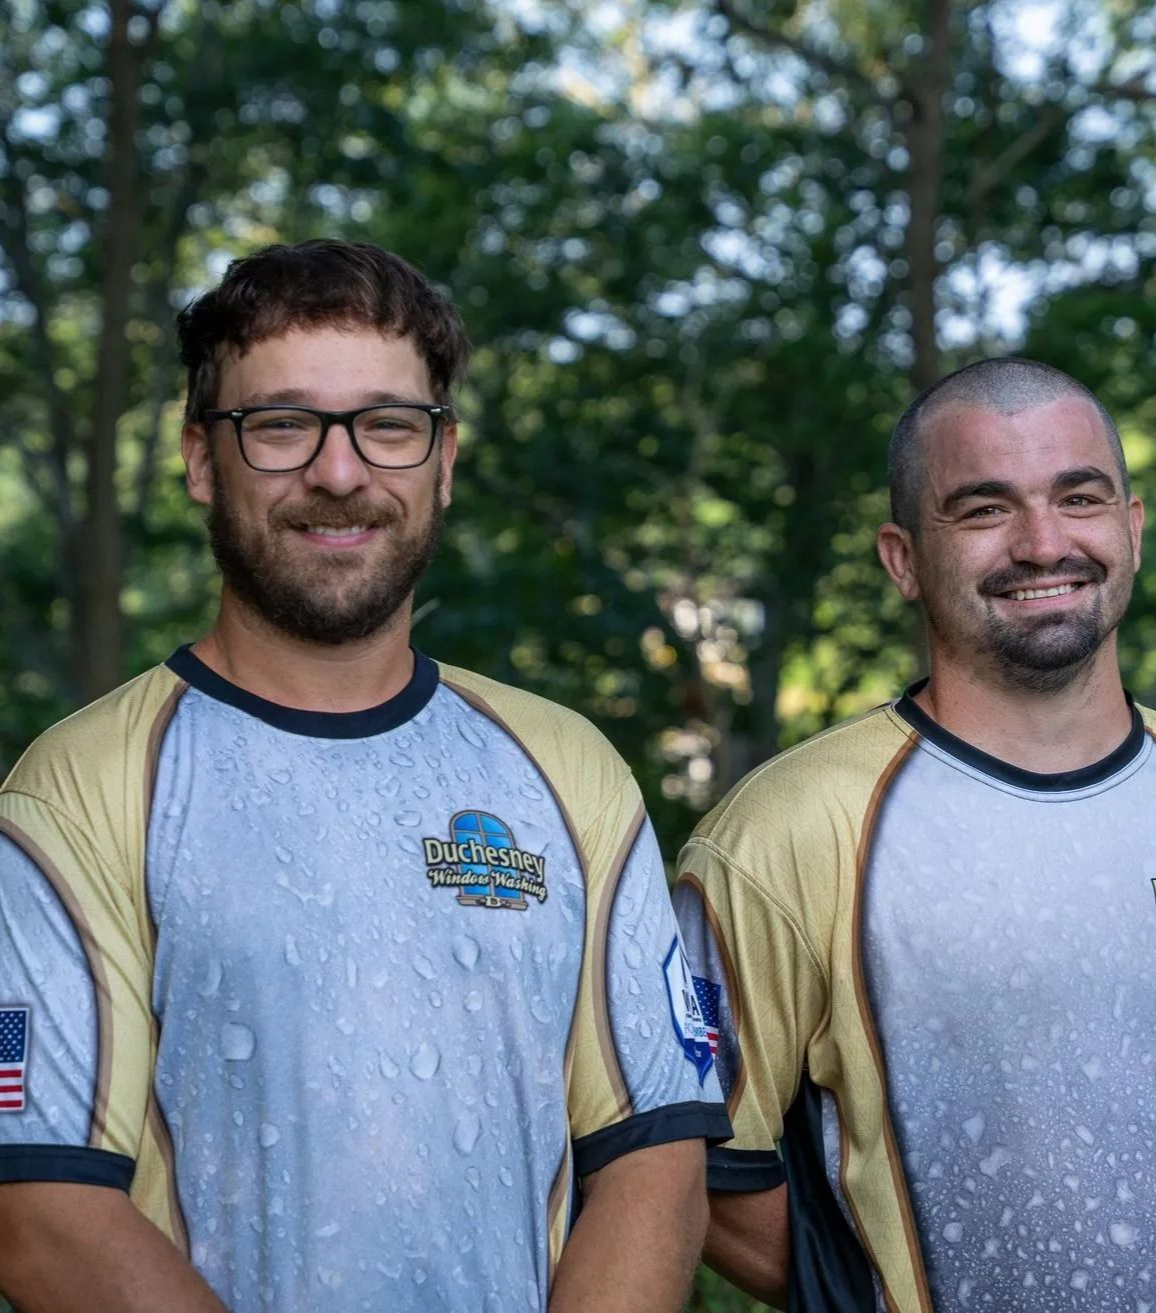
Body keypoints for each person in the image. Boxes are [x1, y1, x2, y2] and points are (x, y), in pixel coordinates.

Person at [0, 239, 729, 1312]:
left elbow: (652, 1159)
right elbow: (42, 1217)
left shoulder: (563, 765)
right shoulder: (78, 788)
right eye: (283, 424)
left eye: (387, 425)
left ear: (441, 457)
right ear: (202, 458)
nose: (338, 473)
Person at [674, 357, 1156, 1311]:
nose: (1042, 542)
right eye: (983, 509)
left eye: (1079, 497)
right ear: (902, 558)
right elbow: (696, 1171)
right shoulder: (781, 832)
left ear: (1130, 530)